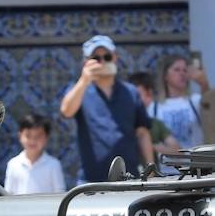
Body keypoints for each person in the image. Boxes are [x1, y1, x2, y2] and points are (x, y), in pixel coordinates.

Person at [59, 35, 154, 183]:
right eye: (96, 58)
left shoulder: (131, 92)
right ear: (86, 62)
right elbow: (66, 111)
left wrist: (150, 169)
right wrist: (84, 80)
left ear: (115, 58)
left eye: (107, 56)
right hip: (91, 181)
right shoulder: (79, 90)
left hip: (129, 178)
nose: (102, 62)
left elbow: (142, 133)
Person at [147, 55, 208, 152]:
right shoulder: (154, 107)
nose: (182, 74)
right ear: (165, 76)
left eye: (185, 70)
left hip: (194, 164)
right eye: (177, 70)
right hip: (165, 165)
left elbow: (210, 109)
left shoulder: (194, 101)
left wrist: (203, 83)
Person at [4, 115, 66, 194]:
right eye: (28, 136)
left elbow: (60, 194)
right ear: (20, 136)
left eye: (38, 136)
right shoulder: (13, 164)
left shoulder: (54, 165)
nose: (33, 140)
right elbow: (7, 194)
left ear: (46, 137)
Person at [131, 72, 180, 156]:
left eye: (137, 95)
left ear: (149, 95)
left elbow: (177, 150)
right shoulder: (121, 123)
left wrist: (150, 146)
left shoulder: (155, 124)